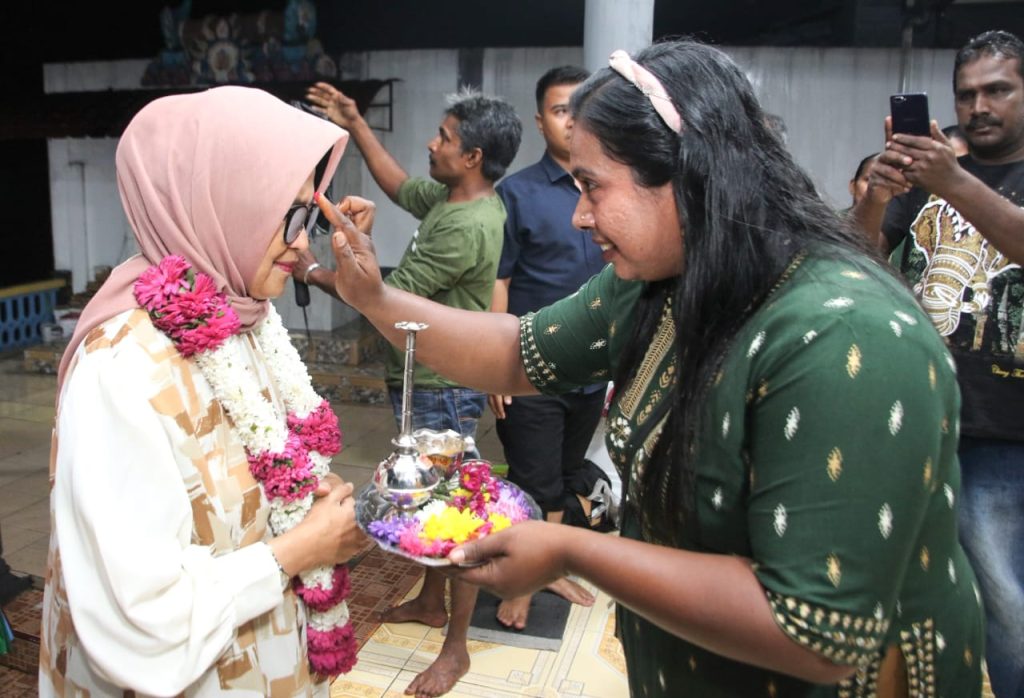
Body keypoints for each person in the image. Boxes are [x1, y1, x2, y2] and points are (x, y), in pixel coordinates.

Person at [315, 38, 986, 697]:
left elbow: (814, 632)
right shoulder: (667, 275)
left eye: (592, 186)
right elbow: (515, 350)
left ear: (689, 177)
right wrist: (373, 297)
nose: (580, 215)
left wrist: (575, 549)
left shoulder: (844, 337)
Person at [39, 86, 368, 696]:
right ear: (219, 205)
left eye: (310, 216)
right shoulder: (120, 369)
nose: (303, 244)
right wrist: (297, 550)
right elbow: (138, 619)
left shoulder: (244, 315)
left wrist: (300, 491)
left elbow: (233, 479)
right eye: (289, 217)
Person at [299, 81, 522, 698]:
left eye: (444, 138)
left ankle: (456, 651)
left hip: (443, 388)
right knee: (434, 502)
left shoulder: (466, 224)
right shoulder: (455, 198)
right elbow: (399, 185)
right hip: (426, 379)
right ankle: (430, 602)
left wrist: (312, 266)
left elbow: (381, 293)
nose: (431, 142)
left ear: (473, 156)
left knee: (457, 518)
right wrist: (354, 122)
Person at [852, 29, 1024, 698]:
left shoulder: (948, 176)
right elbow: (858, 256)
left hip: (1008, 430)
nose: (979, 106)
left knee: (1006, 601)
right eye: (967, 94)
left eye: (998, 90)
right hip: (923, 416)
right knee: (917, 588)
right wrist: (875, 196)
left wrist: (951, 179)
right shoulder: (925, 178)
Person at [487, 65, 602, 630]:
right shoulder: (517, 193)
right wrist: (496, 368)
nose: (571, 119)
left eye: (580, 108)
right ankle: (522, 581)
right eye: (560, 110)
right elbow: (500, 282)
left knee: (565, 472)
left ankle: (547, 564)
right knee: (531, 479)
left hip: (594, 367)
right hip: (531, 364)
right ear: (540, 122)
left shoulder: (609, 185)